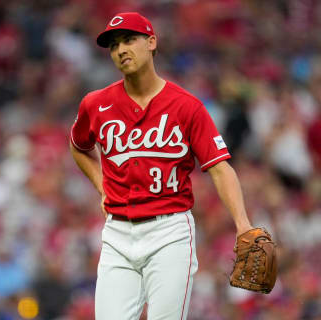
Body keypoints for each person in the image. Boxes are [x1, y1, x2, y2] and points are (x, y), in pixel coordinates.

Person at [70, 12, 254, 320]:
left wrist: (243, 223)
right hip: (117, 232)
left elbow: (220, 168)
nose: (121, 50)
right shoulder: (95, 103)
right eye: (114, 45)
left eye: (129, 40)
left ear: (151, 42)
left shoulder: (186, 106)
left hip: (169, 231)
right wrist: (102, 186)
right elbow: (79, 147)